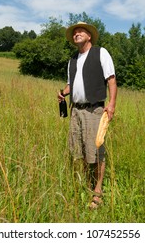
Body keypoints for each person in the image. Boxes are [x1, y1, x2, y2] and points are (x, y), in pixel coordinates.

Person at [58, 21, 117, 209]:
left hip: (94, 110)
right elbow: (71, 84)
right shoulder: (72, 60)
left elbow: (112, 80)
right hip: (76, 110)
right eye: (74, 32)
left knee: (97, 152)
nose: (77, 34)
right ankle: (89, 184)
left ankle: (98, 192)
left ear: (89, 36)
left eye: (80, 31)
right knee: (81, 152)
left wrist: (112, 104)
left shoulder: (101, 53)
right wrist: (63, 92)